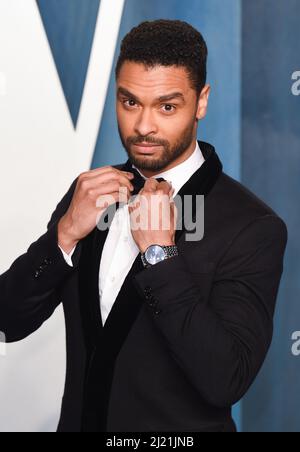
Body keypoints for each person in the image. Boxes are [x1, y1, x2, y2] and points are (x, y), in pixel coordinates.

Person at [0, 20, 288, 432]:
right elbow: (8, 320)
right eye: (130, 102)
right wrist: (62, 237)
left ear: (201, 102)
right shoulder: (88, 195)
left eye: (166, 106)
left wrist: (160, 254)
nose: (143, 127)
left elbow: (226, 379)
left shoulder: (251, 225)